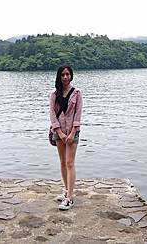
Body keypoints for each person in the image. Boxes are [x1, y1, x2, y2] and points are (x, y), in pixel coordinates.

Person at [49, 65, 82, 210]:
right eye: (62, 74)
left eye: (68, 74)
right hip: (58, 131)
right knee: (63, 162)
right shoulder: (54, 94)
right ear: (59, 76)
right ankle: (66, 190)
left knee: (70, 163)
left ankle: (70, 198)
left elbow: (78, 114)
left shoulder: (77, 93)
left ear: (71, 75)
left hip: (73, 132)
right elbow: (52, 115)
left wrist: (72, 133)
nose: (65, 77)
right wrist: (61, 133)